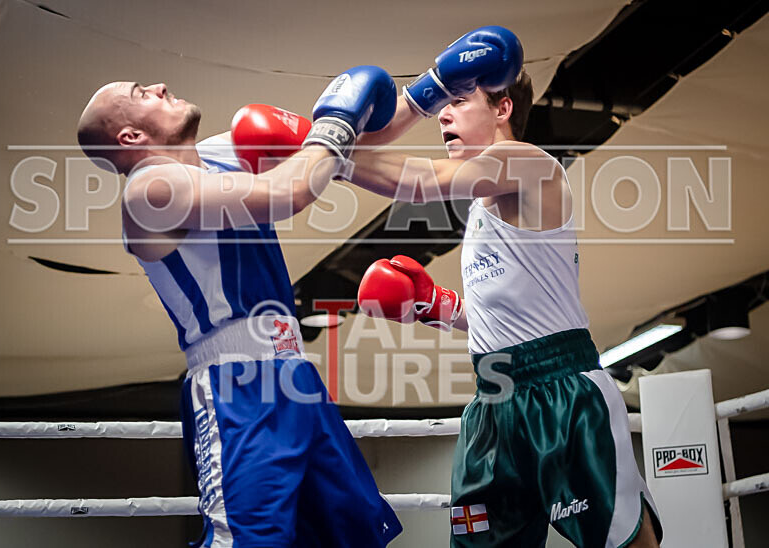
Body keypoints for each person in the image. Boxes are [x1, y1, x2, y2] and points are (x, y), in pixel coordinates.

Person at [350, 26, 663, 547]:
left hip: (561, 390)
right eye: (442, 103)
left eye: (458, 99)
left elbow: (422, 183)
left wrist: (327, 158)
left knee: (624, 544)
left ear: (502, 108)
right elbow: (507, 311)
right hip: (493, 403)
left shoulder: (528, 163)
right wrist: (438, 307)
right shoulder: (483, 204)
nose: (443, 114)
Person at [76, 66, 403, 547]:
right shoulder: (149, 190)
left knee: (348, 534)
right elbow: (288, 191)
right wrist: (334, 120)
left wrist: (434, 90)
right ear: (130, 134)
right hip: (235, 386)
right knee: (251, 542)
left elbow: (345, 148)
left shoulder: (222, 151)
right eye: (141, 93)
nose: (162, 85)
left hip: (296, 376)